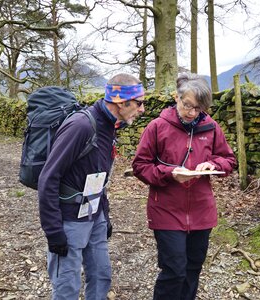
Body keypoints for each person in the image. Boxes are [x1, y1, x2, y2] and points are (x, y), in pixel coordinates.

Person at [38, 73, 146, 300]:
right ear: (121, 101)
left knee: (101, 275)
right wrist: (53, 231)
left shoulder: (110, 126)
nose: (143, 109)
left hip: (95, 215)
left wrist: (104, 216)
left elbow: (99, 176)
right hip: (68, 221)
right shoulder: (81, 126)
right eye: (139, 103)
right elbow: (48, 177)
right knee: (67, 285)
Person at [132, 72, 236, 300]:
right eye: (187, 105)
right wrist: (170, 174)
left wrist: (212, 164)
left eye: (198, 108)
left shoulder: (211, 128)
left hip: (201, 211)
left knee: (193, 269)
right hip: (166, 211)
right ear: (176, 98)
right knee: (175, 270)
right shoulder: (157, 127)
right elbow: (140, 165)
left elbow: (229, 160)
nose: (192, 113)